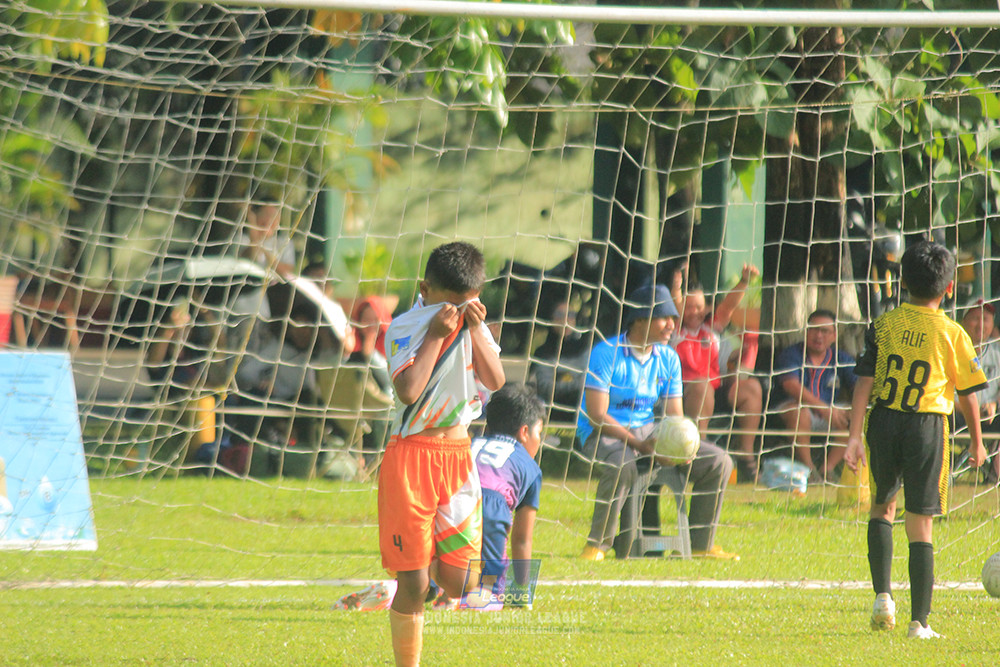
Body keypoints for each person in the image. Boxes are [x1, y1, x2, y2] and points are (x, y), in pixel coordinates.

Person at [845, 241, 988, 640]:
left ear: (903, 282)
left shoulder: (883, 325)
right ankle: (919, 623)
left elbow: (864, 382)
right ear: (949, 288)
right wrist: (977, 442)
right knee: (920, 522)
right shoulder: (953, 333)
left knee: (882, 507)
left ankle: (882, 597)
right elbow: (967, 394)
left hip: (884, 421)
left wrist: (854, 436)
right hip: (927, 426)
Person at [379, 241, 505, 666]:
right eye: (450, 305)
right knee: (413, 584)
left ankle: (425, 561)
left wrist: (475, 330)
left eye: (466, 304)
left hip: (457, 456)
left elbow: (496, 380)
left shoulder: (475, 326)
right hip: (411, 457)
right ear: (425, 290)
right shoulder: (407, 327)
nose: (457, 313)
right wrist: (436, 335)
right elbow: (409, 390)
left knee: (459, 584)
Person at [578, 283, 737, 561]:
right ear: (640, 319)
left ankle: (700, 545)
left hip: (649, 432)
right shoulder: (605, 353)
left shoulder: (668, 358)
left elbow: (675, 415)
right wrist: (638, 444)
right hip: (603, 434)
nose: (672, 325)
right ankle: (597, 546)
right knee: (623, 465)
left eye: (674, 318)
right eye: (664, 318)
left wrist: (681, 447)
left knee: (719, 462)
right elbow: (597, 415)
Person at [671, 278, 762, 481]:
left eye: (699, 307)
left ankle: (746, 454)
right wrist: (676, 287)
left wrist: (744, 282)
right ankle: (699, 449)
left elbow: (728, 306)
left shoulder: (711, 328)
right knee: (702, 387)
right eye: (689, 307)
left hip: (715, 389)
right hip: (684, 393)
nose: (694, 312)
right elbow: (676, 306)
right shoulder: (675, 330)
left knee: (752, 388)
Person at [772, 309, 857, 481]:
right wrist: (825, 410)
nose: (819, 335)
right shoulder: (791, 354)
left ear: (834, 335)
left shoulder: (841, 358)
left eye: (824, 331)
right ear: (806, 331)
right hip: (792, 410)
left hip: (830, 414)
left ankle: (828, 469)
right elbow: (791, 386)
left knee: (857, 414)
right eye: (814, 329)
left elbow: (860, 386)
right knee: (799, 412)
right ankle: (809, 470)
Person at [958, 299, 1000, 485]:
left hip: (989, 417)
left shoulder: (997, 352)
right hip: (958, 416)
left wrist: (995, 404)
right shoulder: (955, 350)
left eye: (986, 319)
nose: (981, 324)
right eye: (976, 318)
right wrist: (967, 409)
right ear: (964, 321)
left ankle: (994, 473)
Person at [528, 301, 590, 425]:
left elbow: (593, 384)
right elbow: (545, 388)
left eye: (571, 314)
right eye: (560, 314)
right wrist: (579, 384)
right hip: (552, 415)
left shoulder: (586, 349)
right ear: (551, 319)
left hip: (582, 414)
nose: (566, 319)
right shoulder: (543, 352)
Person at [238, 197, 297, 277]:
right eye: (265, 215)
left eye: (273, 216)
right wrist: (253, 228)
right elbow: (250, 256)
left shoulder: (285, 243)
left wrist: (266, 254)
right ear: (255, 216)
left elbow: (287, 272)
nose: (269, 220)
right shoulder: (241, 239)